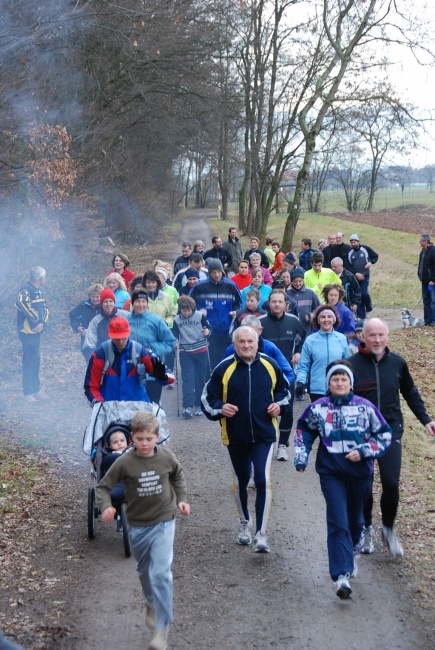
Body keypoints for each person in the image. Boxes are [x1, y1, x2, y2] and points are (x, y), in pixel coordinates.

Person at [294, 360, 392, 599]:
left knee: (355, 522)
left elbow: (385, 435)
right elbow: (303, 431)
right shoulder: (318, 408)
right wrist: (301, 457)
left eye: (343, 379)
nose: (339, 383)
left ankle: (353, 551)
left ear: (350, 383)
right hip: (331, 473)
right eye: (335, 379)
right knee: (338, 522)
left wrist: (365, 451)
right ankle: (341, 576)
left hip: (360, 473)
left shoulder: (365, 407)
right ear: (328, 383)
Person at [96, 411, 189, 650]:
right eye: (139, 439)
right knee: (144, 571)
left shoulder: (167, 457)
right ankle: (150, 601)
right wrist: (106, 507)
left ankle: (161, 628)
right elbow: (103, 487)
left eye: (149, 438)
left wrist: (181, 499)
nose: (144, 443)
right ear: (132, 440)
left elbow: (178, 476)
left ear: (157, 436)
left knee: (161, 574)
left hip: (164, 521)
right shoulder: (124, 462)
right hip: (136, 525)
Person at [349, 318, 435, 557]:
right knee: (364, 486)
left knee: (391, 483)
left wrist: (426, 420)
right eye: (371, 335)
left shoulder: (397, 363)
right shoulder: (351, 364)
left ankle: (388, 528)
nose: (376, 340)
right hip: (360, 435)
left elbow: (410, 393)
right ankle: (366, 528)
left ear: (387, 336)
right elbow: (336, 397)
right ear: (362, 337)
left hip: (390, 432)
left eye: (380, 335)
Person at [201, 326, 291, 553]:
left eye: (250, 341)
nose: (246, 345)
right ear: (234, 344)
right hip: (235, 435)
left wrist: (278, 405)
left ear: (257, 341)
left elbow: (285, 392)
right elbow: (206, 398)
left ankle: (261, 534)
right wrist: (221, 408)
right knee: (242, 480)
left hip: (264, 434)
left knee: (262, 480)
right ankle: (244, 522)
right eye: (241, 342)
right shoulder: (224, 368)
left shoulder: (271, 365)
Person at [259, 289, 306, 461]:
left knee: (286, 411)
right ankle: (265, 443)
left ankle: (283, 445)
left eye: (280, 302)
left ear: (286, 304)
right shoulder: (260, 322)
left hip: (287, 376)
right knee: (264, 410)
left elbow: (305, 337)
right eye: (274, 301)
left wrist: (299, 352)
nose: (277, 304)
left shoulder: (294, 321)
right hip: (264, 376)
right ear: (269, 303)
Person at [84, 316, 173, 405]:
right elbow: (91, 387)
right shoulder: (100, 355)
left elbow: (168, 375)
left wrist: (163, 376)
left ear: (129, 333)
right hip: (109, 409)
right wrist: (99, 404)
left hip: (138, 409)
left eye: (123, 337)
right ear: (109, 334)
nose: (120, 341)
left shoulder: (140, 351)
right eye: (116, 338)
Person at [189, 259, 241, 370]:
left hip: (227, 332)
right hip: (207, 333)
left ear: (223, 271)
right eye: (213, 272)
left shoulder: (231, 285)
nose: (217, 275)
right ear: (209, 273)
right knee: (209, 365)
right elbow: (188, 305)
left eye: (219, 271)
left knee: (225, 363)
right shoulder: (200, 287)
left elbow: (239, 304)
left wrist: (235, 312)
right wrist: (198, 312)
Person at [127, 290, 176, 405]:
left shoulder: (156, 320)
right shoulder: (126, 321)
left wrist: (151, 349)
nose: (141, 304)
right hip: (131, 368)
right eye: (137, 301)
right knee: (134, 404)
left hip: (153, 368)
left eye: (143, 301)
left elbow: (170, 341)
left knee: (152, 404)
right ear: (132, 303)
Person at [295, 304, 350, 402]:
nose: (326, 320)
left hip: (338, 388)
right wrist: (301, 381)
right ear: (318, 320)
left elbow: (348, 364)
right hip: (317, 390)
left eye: (329, 317)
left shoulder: (341, 339)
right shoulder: (310, 340)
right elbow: (303, 365)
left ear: (334, 320)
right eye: (323, 317)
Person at [172, 295, 211, 418]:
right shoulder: (177, 320)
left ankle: (198, 404)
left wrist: (207, 332)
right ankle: (187, 406)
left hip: (201, 350)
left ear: (192, 308)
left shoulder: (199, 315)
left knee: (200, 378)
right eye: (184, 310)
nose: (187, 313)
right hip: (185, 352)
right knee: (188, 378)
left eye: (189, 310)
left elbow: (208, 328)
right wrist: (174, 340)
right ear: (180, 309)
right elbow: (175, 334)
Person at [15, 266, 49, 401]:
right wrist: (35, 318)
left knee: (36, 360)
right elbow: (21, 302)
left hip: (36, 332)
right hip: (27, 332)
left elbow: (45, 308)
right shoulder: (26, 289)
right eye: (44, 277)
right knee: (29, 360)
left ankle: (36, 389)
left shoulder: (38, 291)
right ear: (41, 278)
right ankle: (28, 392)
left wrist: (42, 323)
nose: (45, 279)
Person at [83, 289, 129, 359]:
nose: (108, 304)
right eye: (105, 302)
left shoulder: (126, 316)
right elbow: (89, 346)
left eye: (111, 301)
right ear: (101, 303)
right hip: (103, 358)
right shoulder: (95, 321)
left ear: (114, 302)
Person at [347, 234, 378, 319]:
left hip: (365, 276)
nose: (353, 244)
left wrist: (370, 262)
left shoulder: (365, 249)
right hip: (355, 277)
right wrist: (356, 273)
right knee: (358, 294)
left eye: (355, 242)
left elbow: (375, 256)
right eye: (352, 242)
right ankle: (361, 315)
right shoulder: (350, 252)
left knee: (364, 293)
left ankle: (368, 307)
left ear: (358, 241)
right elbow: (348, 265)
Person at [69, 283, 103, 360]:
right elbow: (73, 316)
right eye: (93, 297)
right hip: (86, 341)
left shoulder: (105, 307)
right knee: (90, 363)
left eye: (97, 297)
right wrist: (79, 328)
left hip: (101, 340)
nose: (95, 299)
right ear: (89, 296)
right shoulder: (83, 306)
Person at [286, 268, 321, 335]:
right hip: (291, 330)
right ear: (291, 282)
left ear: (303, 281)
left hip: (307, 330)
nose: (298, 284)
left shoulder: (311, 293)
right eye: (295, 281)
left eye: (300, 281)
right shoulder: (287, 293)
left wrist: (311, 316)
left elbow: (319, 309)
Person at [418, 234, 435, 326]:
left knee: (433, 301)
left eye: (421, 241)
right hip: (424, 281)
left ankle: (433, 320)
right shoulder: (423, 251)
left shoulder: (433, 251)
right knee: (426, 300)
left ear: (425, 241)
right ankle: (427, 320)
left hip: (432, 282)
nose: (420, 242)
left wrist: (433, 279)